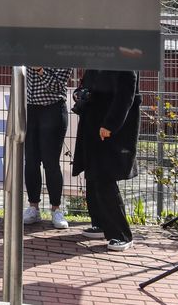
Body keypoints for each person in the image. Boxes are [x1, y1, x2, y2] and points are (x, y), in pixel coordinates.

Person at [73, 68, 140, 251]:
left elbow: (126, 96)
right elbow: (86, 83)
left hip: (110, 129)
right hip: (92, 123)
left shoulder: (126, 60)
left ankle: (122, 234)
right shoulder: (99, 57)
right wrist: (79, 94)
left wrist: (110, 124)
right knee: (93, 175)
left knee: (105, 178)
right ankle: (100, 223)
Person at [23, 66, 73, 229]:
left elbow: (57, 86)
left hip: (53, 109)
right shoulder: (30, 50)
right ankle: (33, 208)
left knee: (51, 163)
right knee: (31, 161)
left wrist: (40, 70)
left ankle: (56, 209)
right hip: (30, 109)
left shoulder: (62, 53)